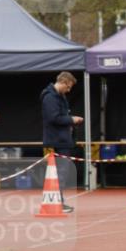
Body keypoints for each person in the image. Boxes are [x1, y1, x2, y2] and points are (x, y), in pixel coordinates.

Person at [40, 71, 83, 213]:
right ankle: (58, 202)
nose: (69, 90)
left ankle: (58, 201)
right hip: (56, 140)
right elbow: (53, 118)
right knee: (59, 172)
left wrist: (71, 121)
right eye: (69, 87)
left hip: (63, 139)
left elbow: (59, 116)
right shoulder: (50, 97)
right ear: (63, 82)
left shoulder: (60, 96)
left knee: (60, 172)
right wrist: (71, 119)